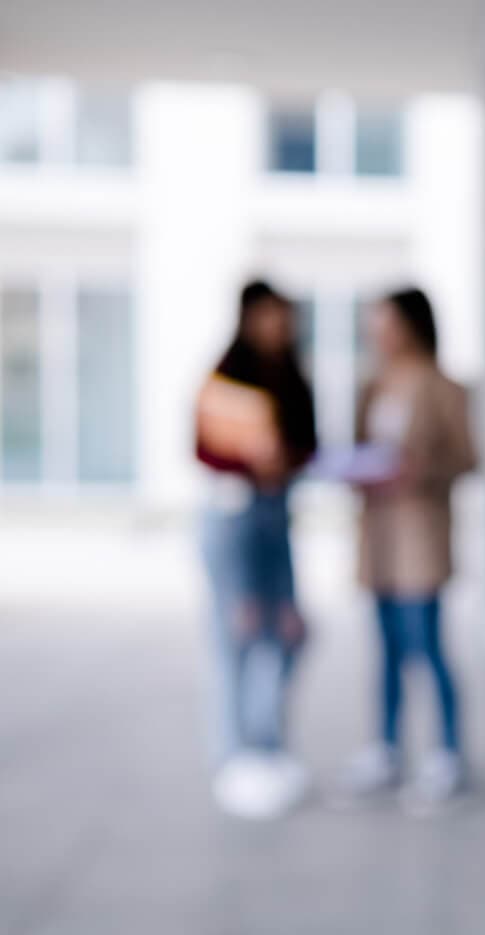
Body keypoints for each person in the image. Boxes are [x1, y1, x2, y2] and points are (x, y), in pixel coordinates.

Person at [334, 288, 478, 815]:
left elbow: (470, 457)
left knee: (427, 645)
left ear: (411, 325)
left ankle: (446, 753)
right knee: (387, 649)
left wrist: (421, 470)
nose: (378, 334)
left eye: (386, 323)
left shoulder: (444, 387)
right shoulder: (371, 385)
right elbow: (358, 449)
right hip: (379, 535)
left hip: (420, 531)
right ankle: (387, 749)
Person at [196, 279, 317, 820]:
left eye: (283, 318)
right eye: (269, 317)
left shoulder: (294, 377)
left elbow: (310, 446)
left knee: (288, 630)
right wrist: (251, 461)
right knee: (236, 634)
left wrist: (283, 461)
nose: (278, 328)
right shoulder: (225, 377)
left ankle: (266, 745)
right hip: (234, 515)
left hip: (277, 513)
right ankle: (236, 754)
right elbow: (204, 450)